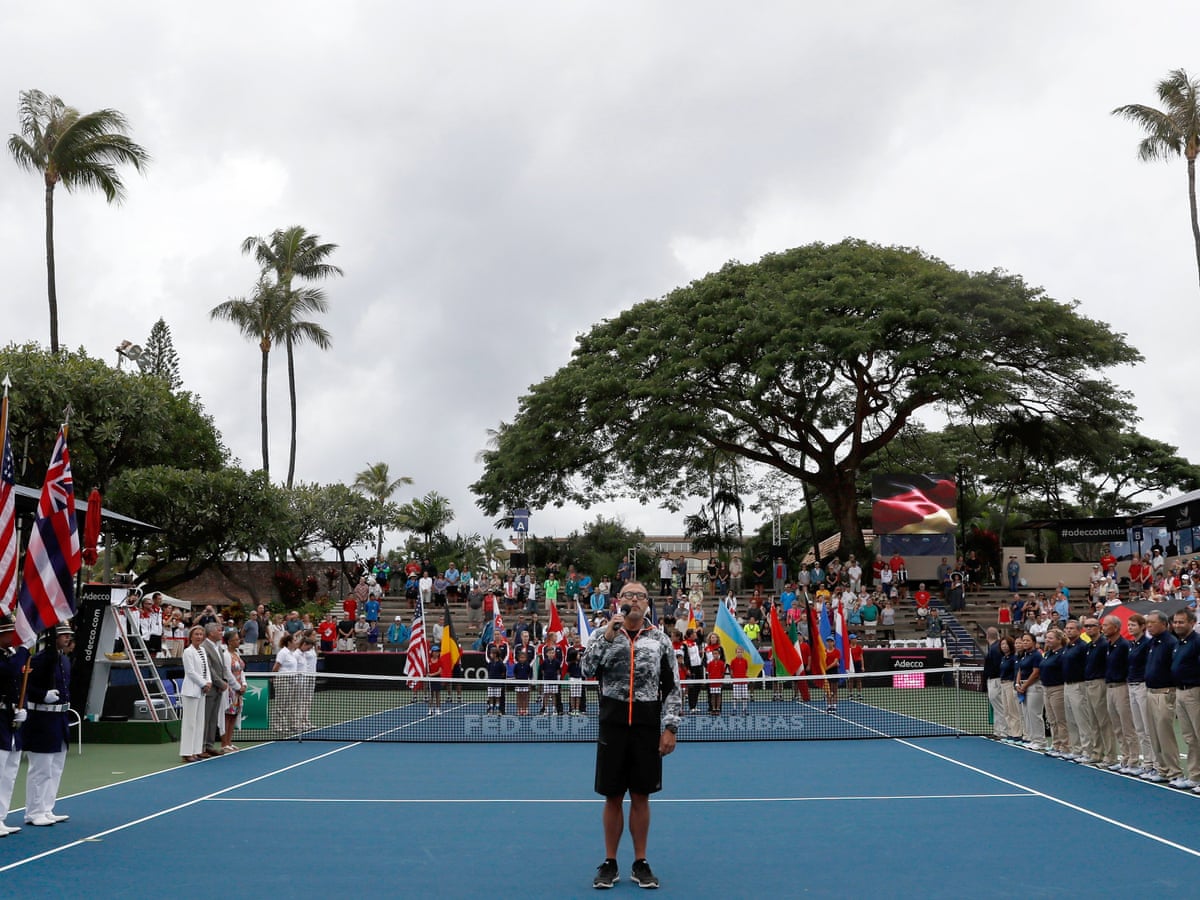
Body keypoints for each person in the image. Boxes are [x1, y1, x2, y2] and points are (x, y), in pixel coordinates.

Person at [581, 582, 680, 890]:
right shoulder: (602, 635)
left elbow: (672, 686)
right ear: (618, 601)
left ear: (647, 603)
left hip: (647, 726)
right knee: (612, 796)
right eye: (628, 595)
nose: (634, 600)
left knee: (641, 795)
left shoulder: (660, 640)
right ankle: (610, 862)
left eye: (640, 596)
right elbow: (585, 669)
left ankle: (641, 862)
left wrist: (670, 727)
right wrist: (608, 636)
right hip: (612, 725)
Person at [23, 623, 74, 826]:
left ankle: (46, 807)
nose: (68, 639)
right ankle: (34, 811)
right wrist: (42, 695)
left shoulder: (63, 660)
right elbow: (25, 686)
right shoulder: (39, 659)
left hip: (59, 718)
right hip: (43, 718)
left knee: (55, 767)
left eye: (69, 635)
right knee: (41, 768)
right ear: (53, 637)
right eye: (63, 635)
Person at [1141, 610, 1181, 784]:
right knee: (1154, 734)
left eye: (1152, 622)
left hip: (1165, 692)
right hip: (1150, 691)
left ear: (1164, 624)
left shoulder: (1170, 642)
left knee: (1165, 734)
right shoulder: (1153, 643)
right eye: (1147, 622)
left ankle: (1175, 772)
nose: (1149, 625)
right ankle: (1162, 769)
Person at [0, 616, 29, 834]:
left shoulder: (12, 656)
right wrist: (24, 650)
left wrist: (23, 707)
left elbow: (19, 685)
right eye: (10, 632)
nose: (14, 637)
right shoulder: (9, 659)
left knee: (9, 773)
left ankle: (1, 817)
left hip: (11, 719)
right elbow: (9, 671)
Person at [1169, 608, 1200, 790]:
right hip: (1180, 691)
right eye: (1176, 622)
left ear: (1192, 623)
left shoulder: (1197, 642)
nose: (1178, 625)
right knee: (1189, 737)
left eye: (1181, 622)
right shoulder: (1179, 643)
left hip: (1194, 691)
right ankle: (1195, 776)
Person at [179, 625, 211, 763]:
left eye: (200, 634)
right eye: (196, 634)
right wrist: (203, 683)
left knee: (199, 722)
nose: (199, 636)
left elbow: (206, 669)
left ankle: (197, 750)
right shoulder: (187, 652)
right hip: (191, 690)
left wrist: (208, 682)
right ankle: (187, 752)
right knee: (190, 723)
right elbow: (190, 672)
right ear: (191, 637)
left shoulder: (203, 650)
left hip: (202, 691)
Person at [201, 623, 230, 756]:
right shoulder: (204, 647)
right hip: (210, 688)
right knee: (205, 718)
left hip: (218, 689)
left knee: (213, 718)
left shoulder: (218, 648)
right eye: (219, 631)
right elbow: (209, 669)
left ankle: (209, 745)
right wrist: (219, 683)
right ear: (211, 633)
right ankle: (201, 747)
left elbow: (222, 667)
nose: (221, 633)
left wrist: (224, 681)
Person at [1014, 633, 1044, 749]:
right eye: (1024, 640)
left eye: (1027, 640)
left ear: (1033, 642)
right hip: (1023, 686)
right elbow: (1020, 670)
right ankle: (1032, 738)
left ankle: (1040, 741)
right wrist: (1018, 683)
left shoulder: (1037, 655)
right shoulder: (1024, 655)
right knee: (1027, 714)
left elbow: (1036, 672)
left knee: (1034, 714)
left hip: (1034, 687)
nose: (1025, 642)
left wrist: (1025, 685)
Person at [220, 629, 246, 753]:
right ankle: (224, 744)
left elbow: (241, 671)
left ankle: (229, 742)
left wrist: (244, 684)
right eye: (236, 639)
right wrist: (237, 687)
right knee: (227, 716)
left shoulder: (237, 653)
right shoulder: (226, 655)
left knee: (234, 716)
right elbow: (227, 673)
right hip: (230, 690)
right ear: (229, 642)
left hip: (238, 690)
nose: (238, 641)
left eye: (238, 639)